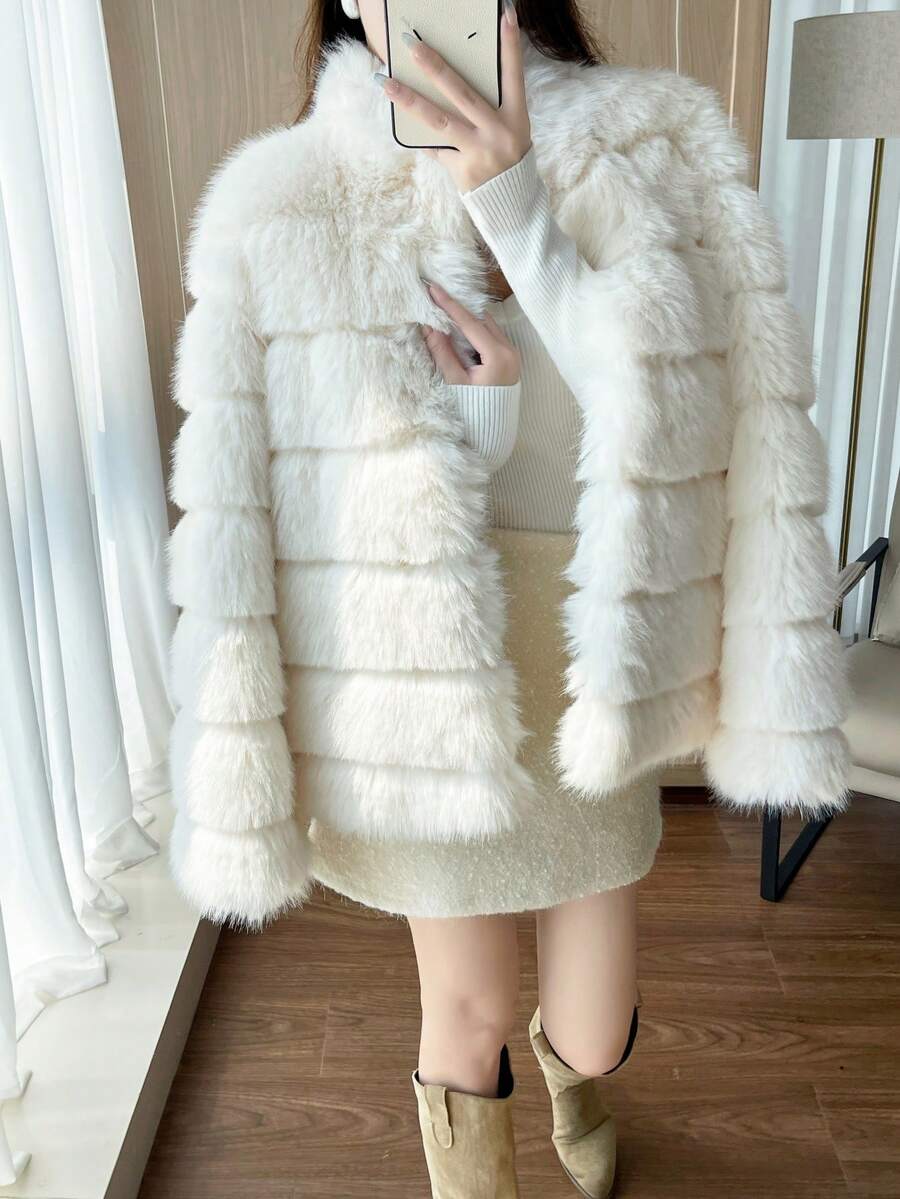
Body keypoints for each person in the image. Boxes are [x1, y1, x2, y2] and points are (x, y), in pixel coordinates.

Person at [165, 1, 851, 1194]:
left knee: (593, 1031)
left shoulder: (658, 147)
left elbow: (691, 426)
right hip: (415, 678)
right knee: (466, 1012)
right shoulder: (280, 203)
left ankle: (578, 1073)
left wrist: (518, 209)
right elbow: (244, 518)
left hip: (586, 649)